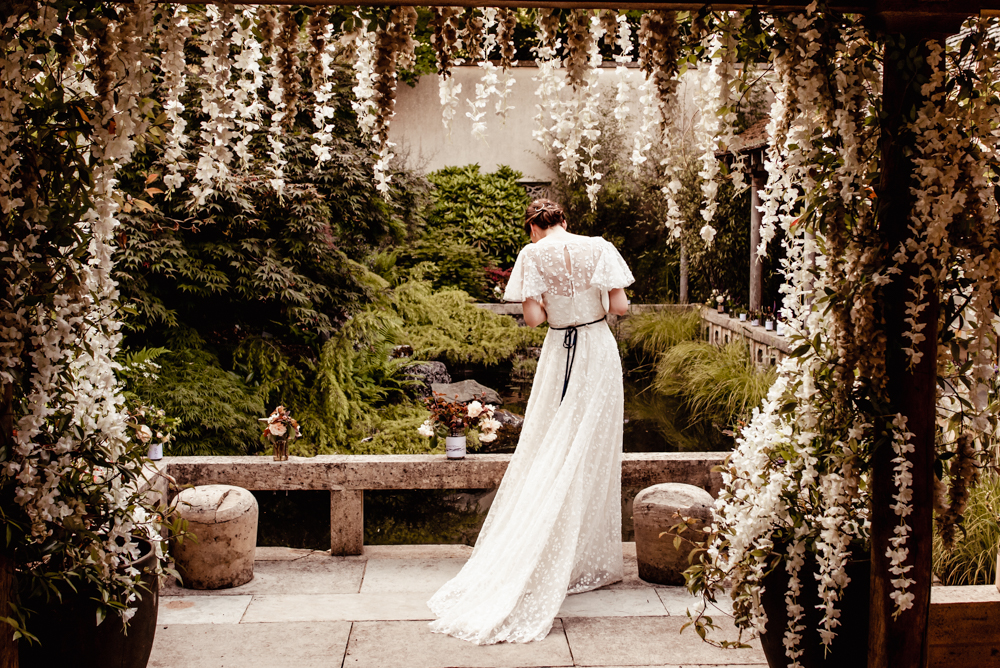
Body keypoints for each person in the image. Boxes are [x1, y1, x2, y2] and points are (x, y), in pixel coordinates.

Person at [427, 198, 634, 645]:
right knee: (593, 448)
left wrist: (549, 300)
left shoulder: (530, 254)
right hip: (598, 350)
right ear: (565, 220)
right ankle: (584, 557)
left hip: (560, 353)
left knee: (549, 444)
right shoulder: (598, 247)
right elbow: (620, 308)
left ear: (534, 227)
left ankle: (546, 546)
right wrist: (594, 298)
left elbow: (534, 317)